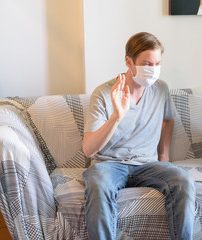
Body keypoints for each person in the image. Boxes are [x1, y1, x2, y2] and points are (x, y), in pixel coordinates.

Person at [82, 32, 195, 240]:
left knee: (184, 180)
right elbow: (89, 149)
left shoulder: (160, 89)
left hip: (147, 164)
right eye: (146, 63)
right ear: (129, 61)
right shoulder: (103, 93)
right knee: (98, 184)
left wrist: (164, 156)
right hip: (109, 164)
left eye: (157, 63)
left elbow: (168, 119)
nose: (153, 70)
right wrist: (117, 116)